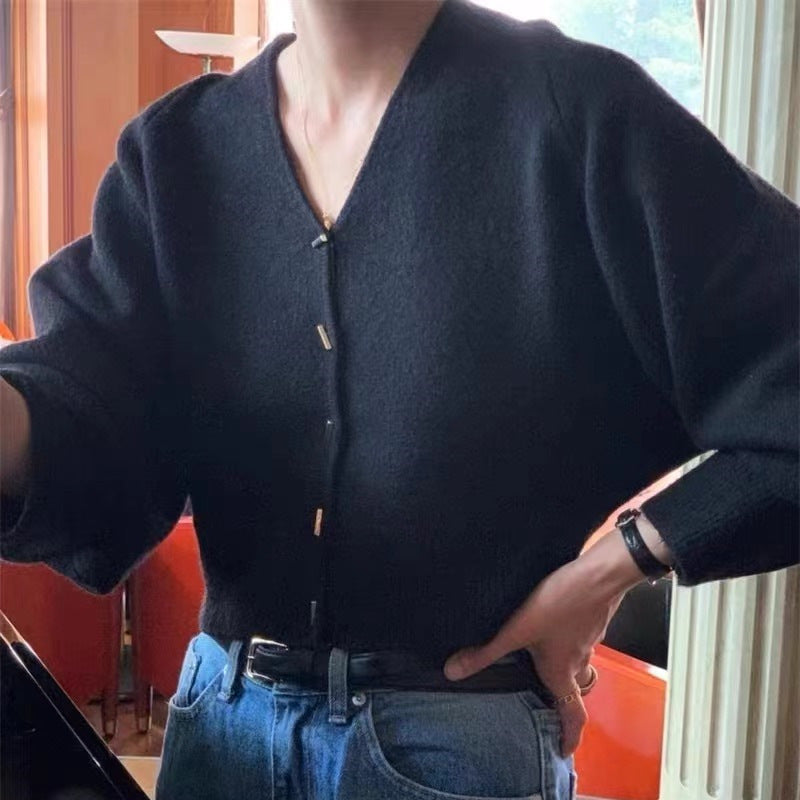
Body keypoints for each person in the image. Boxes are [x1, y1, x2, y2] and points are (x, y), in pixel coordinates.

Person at [1, 1, 797, 798]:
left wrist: (618, 563)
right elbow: (96, 415)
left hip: (455, 739)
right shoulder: (176, 153)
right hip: (222, 732)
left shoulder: (574, 115)